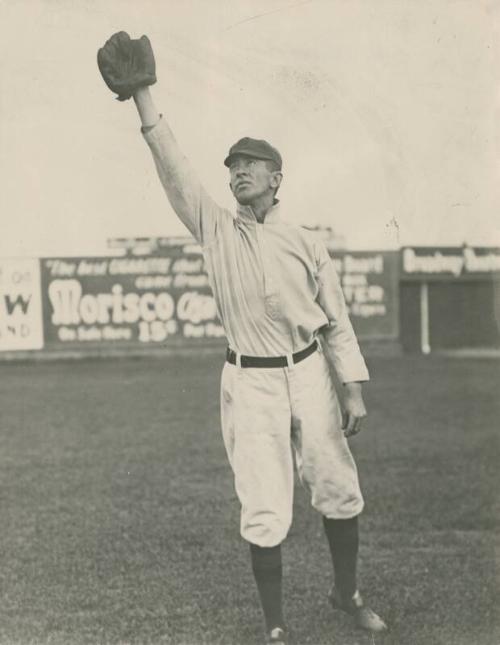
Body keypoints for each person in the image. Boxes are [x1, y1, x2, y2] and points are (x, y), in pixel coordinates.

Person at [97, 32, 388, 645]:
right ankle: (276, 626)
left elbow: (335, 320)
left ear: (277, 178)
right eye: (231, 167)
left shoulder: (306, 239)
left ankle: (347, 593)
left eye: (249, 165)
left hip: (309, 372)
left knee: (337, 485)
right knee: (264, 502)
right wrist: (145, 97)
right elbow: (174, 169)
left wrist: (353, 390)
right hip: (249, 378)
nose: (236, 174)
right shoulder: (216, 229)